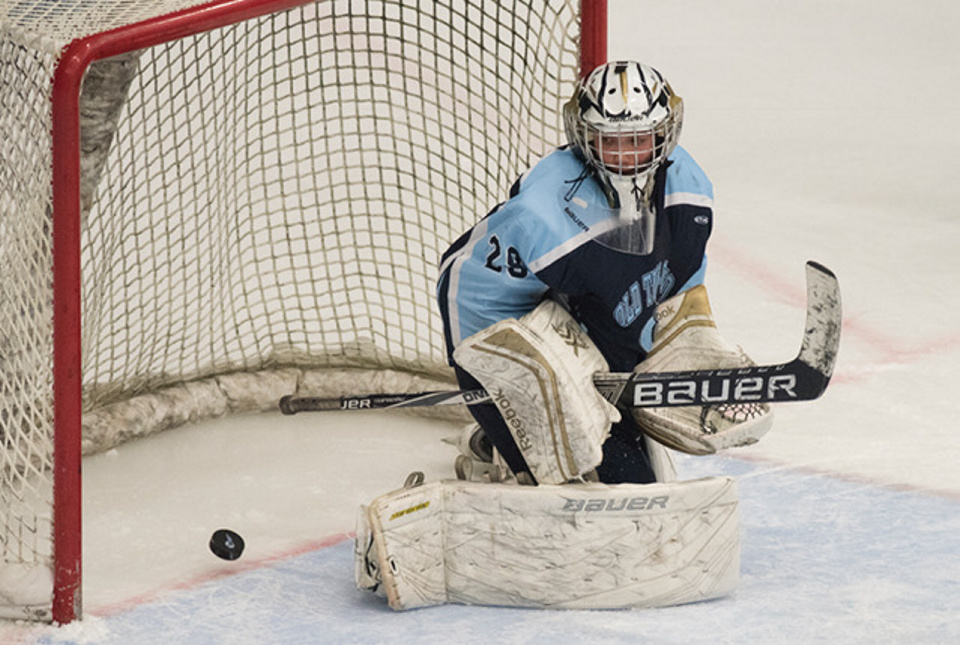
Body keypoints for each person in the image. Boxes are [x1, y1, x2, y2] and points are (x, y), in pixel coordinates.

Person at [436, 60, 771, 486]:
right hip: (519, 323)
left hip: (592, 318)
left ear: (665, 136)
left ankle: (493, 442)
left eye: (640, 140)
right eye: (609, 142)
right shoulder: (545, 215)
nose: (627, 157)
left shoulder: (690, 188)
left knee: (633, 478)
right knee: (563, 469)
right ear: (584, 138)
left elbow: (677, 288)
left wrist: (680, 348)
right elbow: (469, 286)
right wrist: (507, 378)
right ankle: (504, 454)